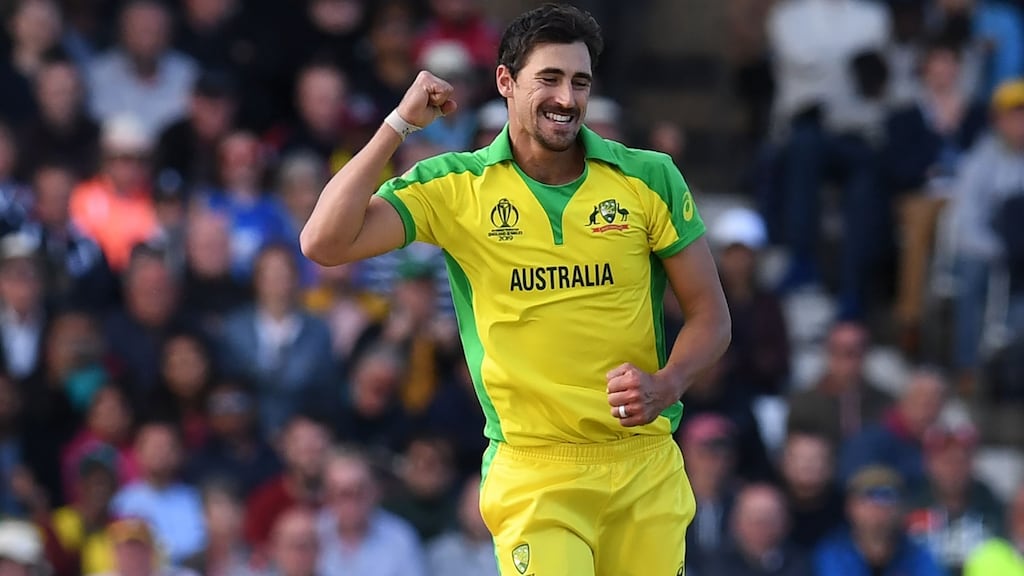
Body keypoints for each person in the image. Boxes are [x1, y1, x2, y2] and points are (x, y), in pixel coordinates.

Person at [300, 4, 732, 575]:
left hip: (645, 467)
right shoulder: (456, 185)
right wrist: (398, 124)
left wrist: (667, 383)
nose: (567, 98)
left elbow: (710, 315)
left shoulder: (648, 176)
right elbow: (323, 242)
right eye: (548, 79)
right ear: (505, 81)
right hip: (535, 473)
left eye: (579, 82)